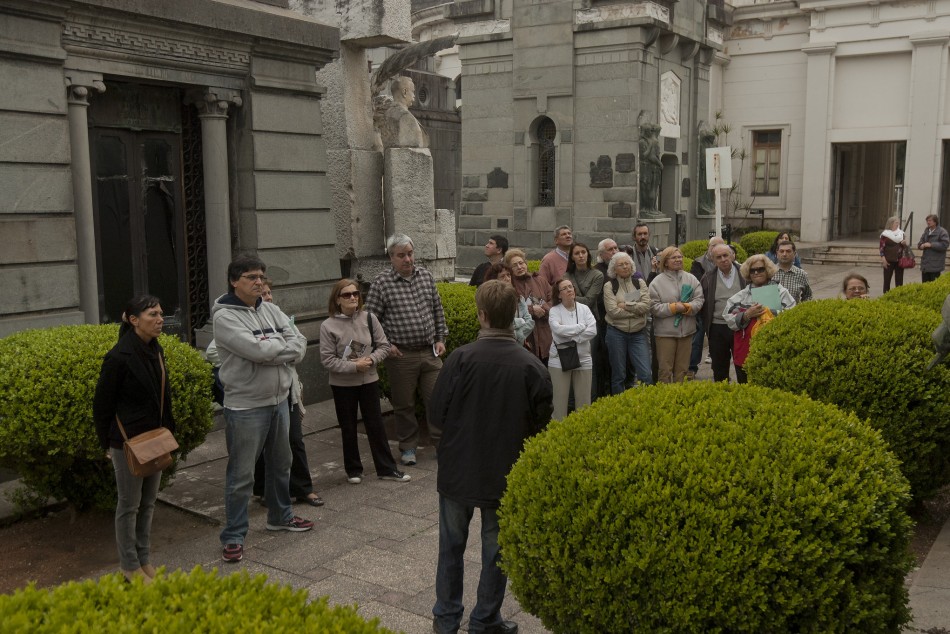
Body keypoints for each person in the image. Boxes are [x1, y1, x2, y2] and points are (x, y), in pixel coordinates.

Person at [431, 280, 554, 634]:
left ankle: (447, 619)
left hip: (458, 469)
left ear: (481, 316)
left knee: (451, 548)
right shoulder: (532, 367)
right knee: (495, 551)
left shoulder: (460, 358)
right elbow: (541, 427)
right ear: (513, 314)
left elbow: (437, 413)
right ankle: (485, 619)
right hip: (506, 473)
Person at [213, 255, 312, 564]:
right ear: (234, 281)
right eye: (251, 277)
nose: (259, 282)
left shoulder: (270, 308)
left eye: (261, 277)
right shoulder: (225, 317)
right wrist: (281, 348)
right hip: (246, 406)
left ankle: (280, 516)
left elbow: (299, 341)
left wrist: (277, 349)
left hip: (280, 400)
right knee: (241, 474)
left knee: (282, 463)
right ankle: (233, 535)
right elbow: (256, 351)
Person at [93, 295, 174, 584]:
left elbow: (165, 397)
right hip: (127, 443)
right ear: (133, 319)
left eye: (161, 313)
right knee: (129, 505)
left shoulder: (156, 349)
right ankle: (129, 566)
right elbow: (102, 406)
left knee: (149, 502)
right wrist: (106, 445)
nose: (160, 319)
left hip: (155, 439)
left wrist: (169, 434)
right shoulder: (118, 357)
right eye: (152, 314)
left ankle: (143, 560)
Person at [365, 234, 448, 467]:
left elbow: (437, 310)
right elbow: (370, 320)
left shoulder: (426, 276)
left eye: (410, 253)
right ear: (391, 257)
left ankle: (443, 445)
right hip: (401, 355)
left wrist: (441, 338)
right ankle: (408, 447)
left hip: (430, 352)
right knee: (404, 405)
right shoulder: (382, 283)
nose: (408, 259)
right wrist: (386, 346)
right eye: (401, 255)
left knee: (438, 400)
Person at [320, 279, 411, 484]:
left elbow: (384, 346)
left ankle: (386, 468)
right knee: (348, 426)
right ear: (337, 299)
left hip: (369, 380)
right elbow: (327, 360)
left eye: (356, 294)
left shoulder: (369, 318)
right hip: (342, 384)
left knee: (376, 425)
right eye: (347, 295)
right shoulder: (328, 326)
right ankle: (353, 469)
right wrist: (353, 366)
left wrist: (371, 360)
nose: (353, 297)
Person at [242, 280, 323, 508]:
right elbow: (220, 351)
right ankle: (265, 490)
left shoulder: (279, 316)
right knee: (263, 446)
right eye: (263, 292)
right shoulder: (238, 320)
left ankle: (303, 488)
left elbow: (300, 345)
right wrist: (257, 357)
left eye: (269, 292)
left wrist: (271, 354)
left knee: (294, 440)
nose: (267, 296)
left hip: (288, 390)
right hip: (259, 392)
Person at [724, 254, 796, 383]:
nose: (756, 272)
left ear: (767, 270)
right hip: (745, 354)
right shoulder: (740, 296)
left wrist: (768, 312)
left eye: (760, 269)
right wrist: (747, 314)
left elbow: (792, 315)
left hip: (774, 353)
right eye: (752, 270)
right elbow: (729, 319)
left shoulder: (781, 292)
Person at [649, 247, 704, 383]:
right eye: (674, 257)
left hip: (687, 332)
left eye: (680, 257)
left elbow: (699, 299)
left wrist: (687, 307)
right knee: (665, 370)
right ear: (665, 262)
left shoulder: (691, 279)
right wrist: (673, 308)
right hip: (665, 334)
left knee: (682, 370)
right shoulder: (657, 282)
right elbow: (653, 307)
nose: (678, 259)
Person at [603, 252, 654, 393]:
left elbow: (646, 306)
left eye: (627, 264)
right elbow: (613, 311)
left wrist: (625, 305)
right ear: (614, 269)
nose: (625, 267)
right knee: (619, 375)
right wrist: (636, 311)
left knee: (645, 374)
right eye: (621, 264)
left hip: (638, 333)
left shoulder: (640, 282)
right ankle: (619, 407)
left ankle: (647, 404)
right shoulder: (609, 286)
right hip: (616, 333)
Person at [548, 278, 597, 420]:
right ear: (558, 294)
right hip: (559, 360)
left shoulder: (584, 309)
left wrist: (573, 338)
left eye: (571, 287)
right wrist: (580, 327)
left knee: (584, 404)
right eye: (565, 288)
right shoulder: (554, 311)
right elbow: (557, 331)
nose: (570, 290)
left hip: (584, 359)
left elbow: (592, 331)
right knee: (559, 403)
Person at [699, 244, 746, 382]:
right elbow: (703, 303)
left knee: (743, 365)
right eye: (718, 257)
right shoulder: (707, 278)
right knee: (719, 368)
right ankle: (723, 395)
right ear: (713, 260)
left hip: (740, 326)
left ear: (732, 255)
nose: (723, 259)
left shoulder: (744, 273)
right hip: (717, 327)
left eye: (726, 255)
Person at [506, 248, 553, 364]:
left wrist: (543, 308)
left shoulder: (540, 281)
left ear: (525, 263)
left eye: (521, 263)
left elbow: (554, 300)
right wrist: (531, 310)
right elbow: (508, 309)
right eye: (514, 265)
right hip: (524, 336)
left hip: (545, 334)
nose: (519, 267)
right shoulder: (508, 285)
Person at [688, 236, 726, 378]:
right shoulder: (698, 263)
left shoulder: (726, 261)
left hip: (718, 308)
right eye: (714, 246)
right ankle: (691, 368)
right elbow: (697, 284)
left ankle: (719, 370)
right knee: (697, 339)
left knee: (718, 341)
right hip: (703, 306)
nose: (717, 249)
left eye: (720, 246)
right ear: (708, 247)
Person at [593, 238, 620, 397]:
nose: (615, 251)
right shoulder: (598, 272)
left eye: (616, 247)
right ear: (602, 254)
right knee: (605, 363)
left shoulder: (624, 269)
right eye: (611, 249)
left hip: (625, 324)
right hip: (604, 324)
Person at [483, 262, 534, 345]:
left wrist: (517, 336)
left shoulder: (519, 298)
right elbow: (499, 325)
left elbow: (530, 322)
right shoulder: (490, 300)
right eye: (502, 276)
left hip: (517, 345)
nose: (507, 279)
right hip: (497, 344)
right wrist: (521, 321)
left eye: (508, 275)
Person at [879, 216, 908, 293]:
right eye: (896, 222)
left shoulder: (901, 233)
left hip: (899, 260)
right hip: (889, 260)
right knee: (887, 280)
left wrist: (904, 244)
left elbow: (905, 248)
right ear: (891, 223)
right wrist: (883, 259)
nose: (898, 224)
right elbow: (881, 248)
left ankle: (898, 295)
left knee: (899, 280)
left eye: (898, 222)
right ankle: (886, 295)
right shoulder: (885, 234)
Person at [918, 214, 949, 282]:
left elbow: (945, 245)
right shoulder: (926, 231)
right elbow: (920, 242)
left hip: (935, 264)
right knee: (925, 287)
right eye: (927, 221)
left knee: (933, 286)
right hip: (925, 265)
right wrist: (921, 245)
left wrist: (931, 245)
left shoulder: (942, 231)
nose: (928, 222)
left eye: (930, 220)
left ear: (935, 222)